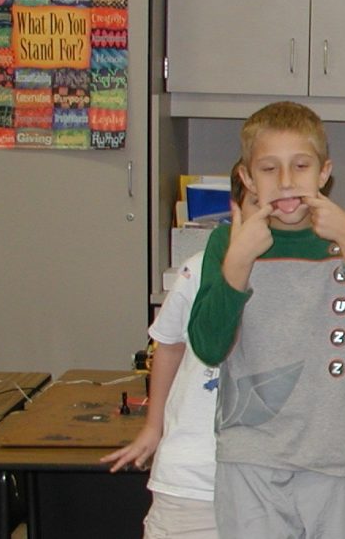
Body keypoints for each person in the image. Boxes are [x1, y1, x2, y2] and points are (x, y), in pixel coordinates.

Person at [188, 101, 345, 538]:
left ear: (324, 172)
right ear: (248, 178)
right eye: (269, 169)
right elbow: (208, 346)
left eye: (300, 166)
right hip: (251, 460)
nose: (286, 182)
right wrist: (239, 260)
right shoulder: (226, 244)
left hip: (330, 462)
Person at [100, 163, 254, 539]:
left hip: (261, 480)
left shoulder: (301, 276)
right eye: (258, 203)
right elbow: (167, 347)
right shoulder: (197, 270)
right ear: (236, 209)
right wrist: (154, 427)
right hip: (190, 477)